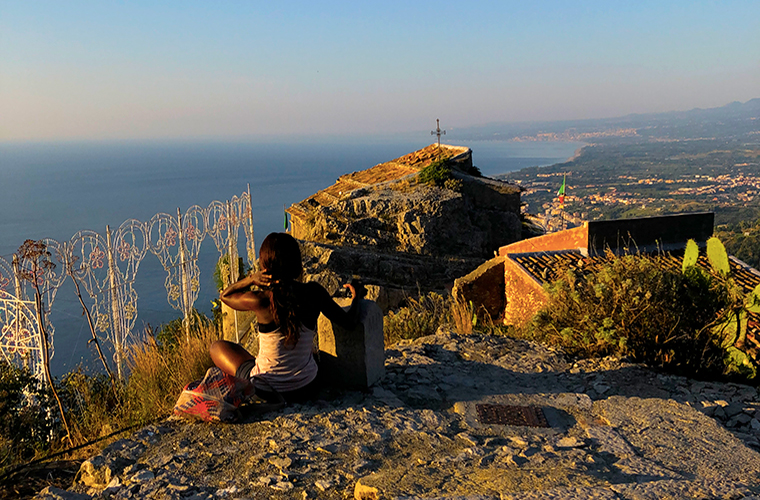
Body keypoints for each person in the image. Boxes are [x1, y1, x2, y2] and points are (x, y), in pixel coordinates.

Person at [210, 232, 365, 403]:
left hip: (265, 391)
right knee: (312, 354)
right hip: (306, 388)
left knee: (217, 347)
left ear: (265, 266)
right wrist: (356, 298)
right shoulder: (314, 293)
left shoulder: (260, 299)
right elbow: (350, 323)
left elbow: (225, 296)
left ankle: (270, 369)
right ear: (296, 263)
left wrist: (251, 280)